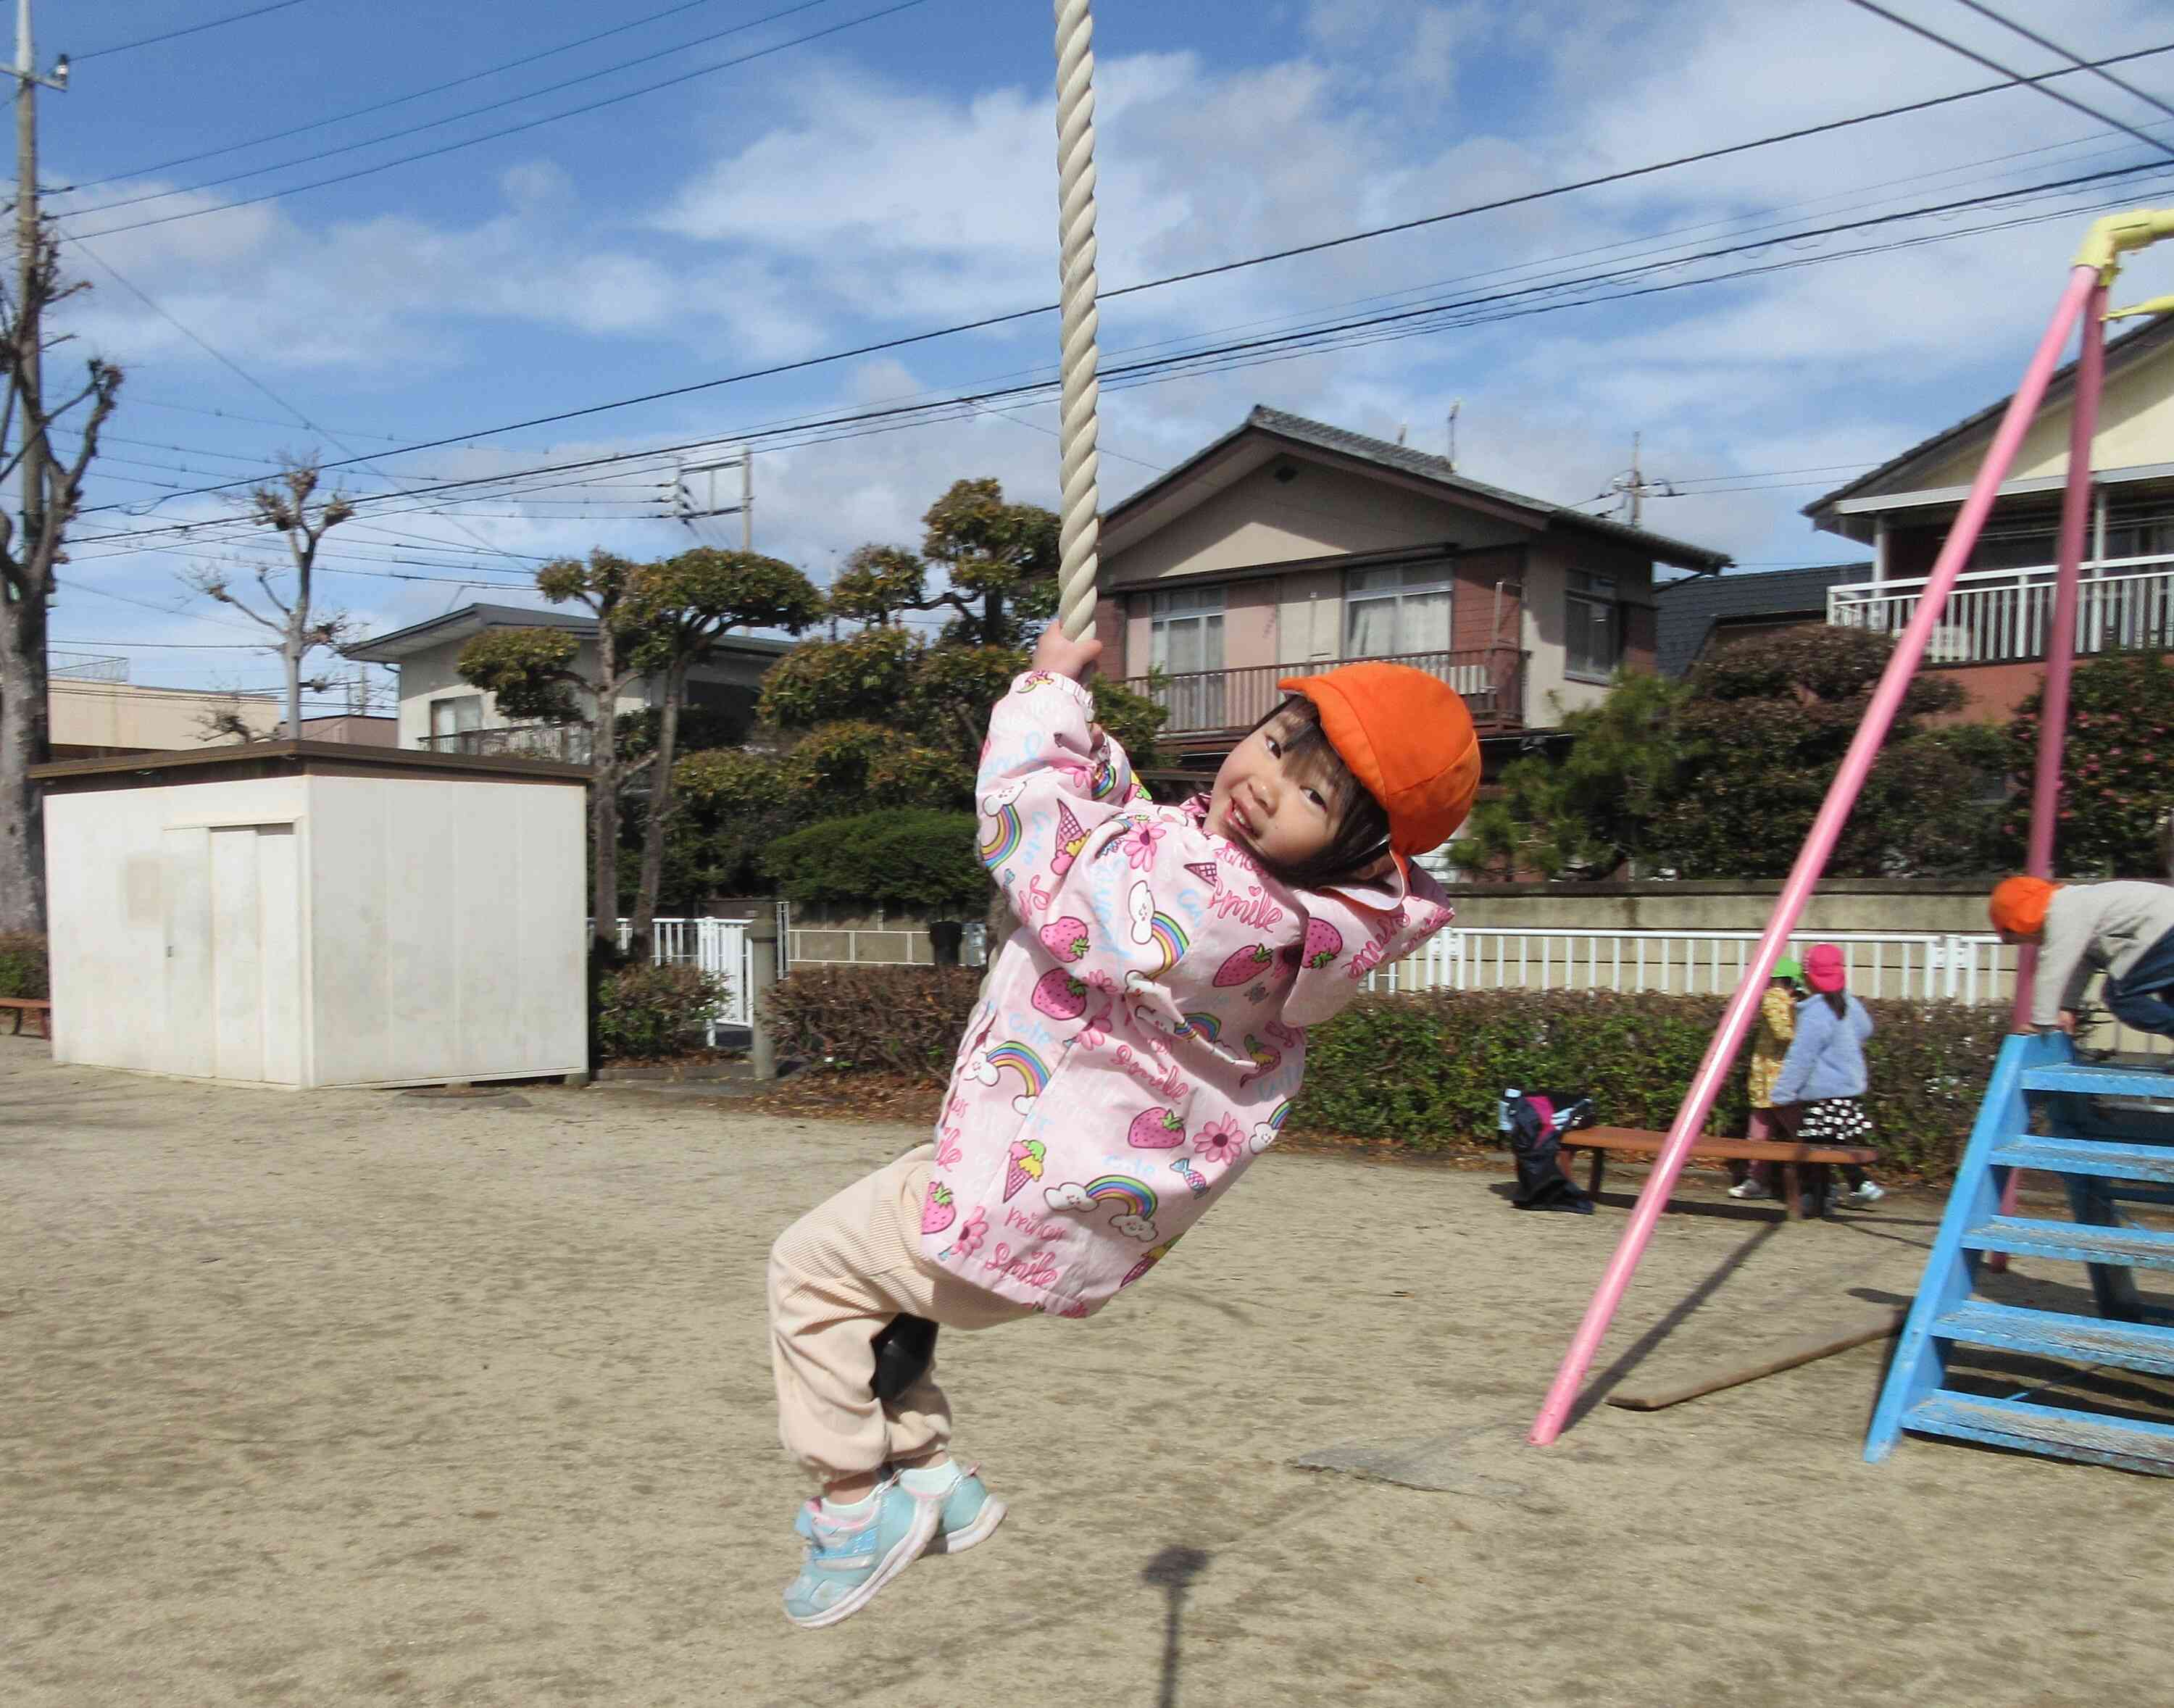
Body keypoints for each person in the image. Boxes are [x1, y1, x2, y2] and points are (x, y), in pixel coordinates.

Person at [765, 626, 1477, 1628]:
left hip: (1017, 1192)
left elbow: (1042, 832)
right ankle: (932, 1480)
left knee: (808, 1273)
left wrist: (1049, 694)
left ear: (1366, 847)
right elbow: (1140, 831)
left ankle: (851, 1506)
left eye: (1317, 795)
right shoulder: (1290, 923)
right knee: (876, 1285)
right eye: (1278, 744)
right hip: (1058, 1203)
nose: (1271, 783)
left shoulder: (1213, 899)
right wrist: (1091, 737)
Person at [1989, 875, 2174, 1046]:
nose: (2031, 945)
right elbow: (2085, 962)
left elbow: (2054, 970)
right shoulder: (2074, 902)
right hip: (2165, 921)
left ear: (2019, 925)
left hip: (2165, 927)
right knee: (2169, 992)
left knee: (2120, 995)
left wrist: (2042, 1023)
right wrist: (2066, 1007)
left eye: (2018, 940)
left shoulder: (2061, 912)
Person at [1767, 943, 1882, 1213]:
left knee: (1816, 1148)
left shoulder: (1815, 1013)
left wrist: (1782, 1093)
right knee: (1828, 1144)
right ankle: (1830, 1194)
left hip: (1822, 1093)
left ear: (1808, 978)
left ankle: (1854, 1184)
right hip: (1848, 1091)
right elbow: (1866, 1029)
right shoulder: (1848, 1003)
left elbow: (1801, 1057)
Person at [1726, 956, 1804, 1202]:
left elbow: (1782, 1032)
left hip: (1768, 1081)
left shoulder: (1777, 998)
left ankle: (1757, 1180)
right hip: (1780, 1081)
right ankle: (1815, 1182)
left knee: (1759, 1134)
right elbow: (1784, 1031)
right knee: (1800, 1132)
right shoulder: (1778, 999)